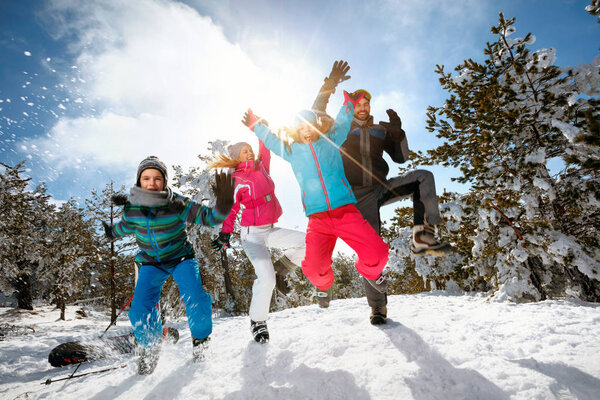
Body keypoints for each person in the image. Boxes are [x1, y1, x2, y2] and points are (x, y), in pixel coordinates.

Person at [311, 61, 449, 325]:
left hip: (380, 188)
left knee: (423, 177)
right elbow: (316, 111)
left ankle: (424, 237)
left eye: (366, 104)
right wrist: (329, 84)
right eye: (357, 104)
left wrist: (398, 134)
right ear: (350, 106)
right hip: (354, 196)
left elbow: (402, 158)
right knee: (370, 253)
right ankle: (378, 308)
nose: (362, 108)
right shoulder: (338, 128)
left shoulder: (380, 129)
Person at [242, 87, 389, 313]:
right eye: (300, 128)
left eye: (308, 126)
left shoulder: (330, 140)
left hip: (345, 211)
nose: (305, 131)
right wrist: (257, 126)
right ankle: (324, 286)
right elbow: (271, 140)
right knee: (313, 268)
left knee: (378, 253)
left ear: (316, 126)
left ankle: (370, 274)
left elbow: (341, 123)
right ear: (295, 131)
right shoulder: (291, 151)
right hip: (318, 219)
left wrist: (349, 104)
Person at [102, 156, 235, 374]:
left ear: (164, 181)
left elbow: (209, 218)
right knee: (139, 309)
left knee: (196, 298)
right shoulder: (132, 209)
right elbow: (124, 227)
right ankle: (151, 346)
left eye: (157, 178)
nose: (152, 183)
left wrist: (222, 205)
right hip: (151, 263)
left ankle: (201, 342)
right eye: (146, 178)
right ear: (139, 181)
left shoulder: (177, 204)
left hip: (181, 258)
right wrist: (111, 232)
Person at [208, 139, 306, 344]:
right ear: (236, 157)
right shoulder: (236, 179)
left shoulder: (262, 168)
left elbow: (265, 150)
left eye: (250, 150)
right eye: (244, 151)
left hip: (268, 230)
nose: (249, 153)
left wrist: (259, 129)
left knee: (306, 241)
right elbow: (231, 209)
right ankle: (258, 322)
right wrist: (225, 233)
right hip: (252, 236)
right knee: (267, 280)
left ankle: (282, 268)